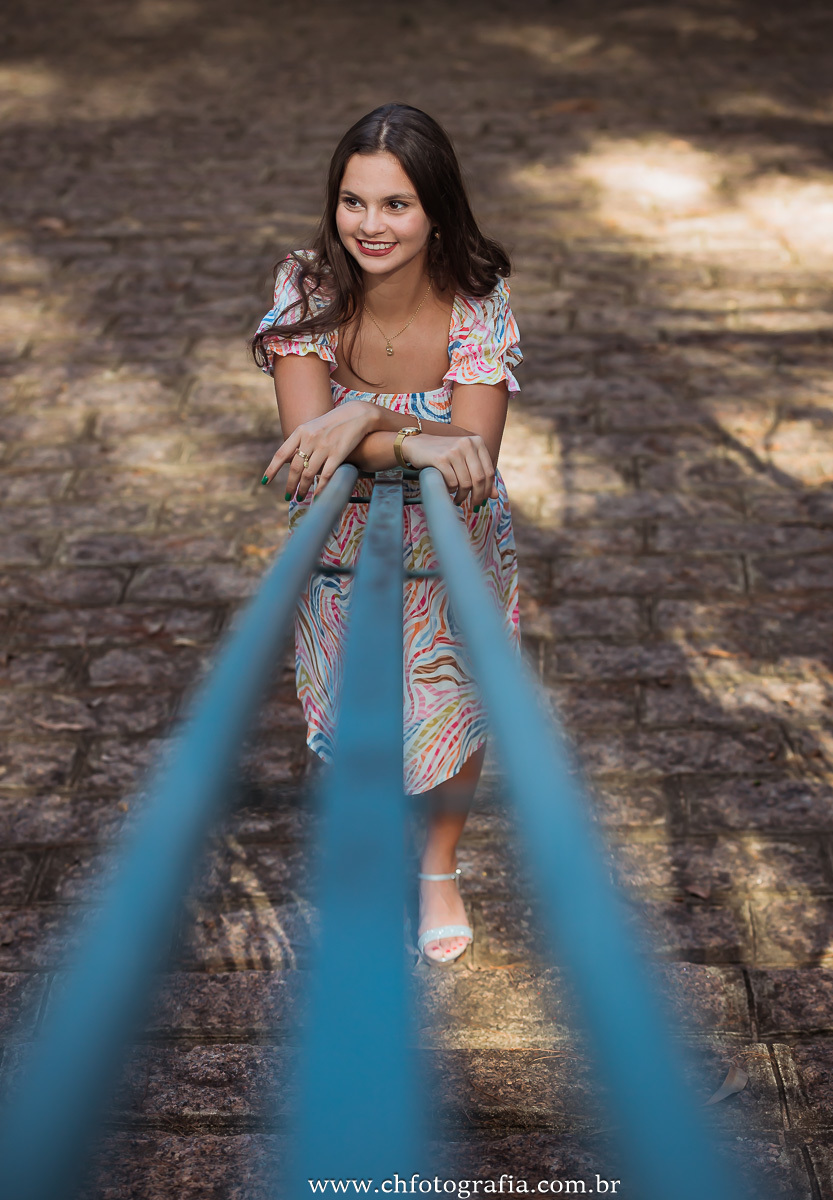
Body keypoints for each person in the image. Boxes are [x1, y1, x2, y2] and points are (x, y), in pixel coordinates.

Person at [252, 103, 521, 966]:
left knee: (453, 711)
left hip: (452, 547)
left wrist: (360, 413)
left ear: (436, 208)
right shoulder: (306, 286)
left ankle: (438, 865)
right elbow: (307, 448)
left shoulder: (474, 300)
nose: (369, 225)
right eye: (353, 201)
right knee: (353, 712)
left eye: (395, 204)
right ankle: (364, 867)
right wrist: (407, 436)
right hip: (340, 546)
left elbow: (473, 455)